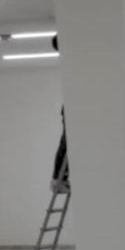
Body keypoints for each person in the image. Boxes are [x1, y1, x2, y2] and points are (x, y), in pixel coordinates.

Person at [50, 35, 69, 193]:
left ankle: (60, 178)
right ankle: (58, 179)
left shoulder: (70, 59)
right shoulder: (69, 60)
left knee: (67, 141)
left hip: (72, 106)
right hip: (71, 106)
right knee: (67, 141)